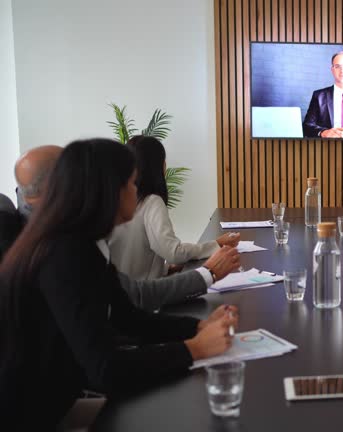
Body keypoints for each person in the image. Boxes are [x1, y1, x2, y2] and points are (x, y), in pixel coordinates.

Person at [0, 139, 239, 429]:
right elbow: (106, 369)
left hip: (55, 399)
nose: (137, 192)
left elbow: (128, 317)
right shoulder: (61, 253)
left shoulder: (82, 243)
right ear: (108, 191)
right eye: (132, 183)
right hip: (35, 414)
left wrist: (197, 328)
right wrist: (195, 349)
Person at [3, 145, 240, 311]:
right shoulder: (63, 248)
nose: (133, 189)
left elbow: (124, 310)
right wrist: (208, 272)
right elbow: (133, 301)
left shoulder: (56, 236)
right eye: (127, 182)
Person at [109, 135, 240, 280]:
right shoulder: (151, 201)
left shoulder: (115, 203)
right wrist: (216, 244)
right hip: (146, 298)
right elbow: (173, 253)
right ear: (159, 166)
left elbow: (134, 258)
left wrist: (165, 269)